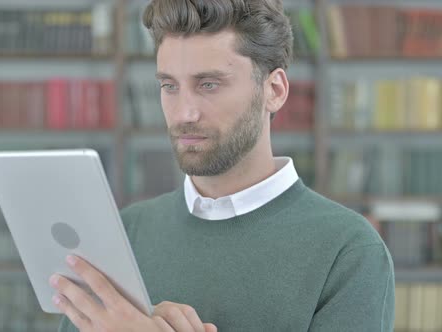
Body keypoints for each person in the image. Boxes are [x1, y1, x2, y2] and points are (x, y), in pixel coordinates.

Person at [54, 0, 395, 331]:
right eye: (169, 86)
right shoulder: (123, 234)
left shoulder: (349, 251)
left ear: (274, 90)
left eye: (209, 85)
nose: (185, 113)